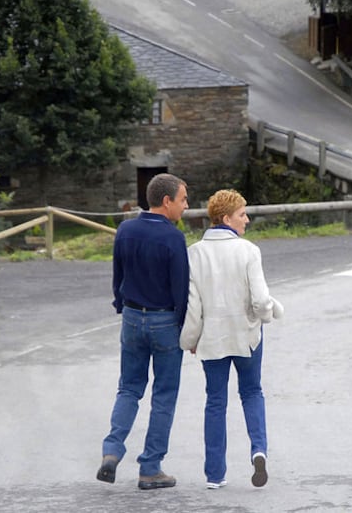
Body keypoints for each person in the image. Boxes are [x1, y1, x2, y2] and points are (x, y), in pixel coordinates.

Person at [180, 189, 283, 489]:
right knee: (251, 392)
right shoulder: (249, 251)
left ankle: (215, 474)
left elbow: (193, 305)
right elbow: (261, 300)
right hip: (246, 335)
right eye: (242, 214)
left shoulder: (194, 253)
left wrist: (191, 340)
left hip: (212, 338)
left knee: (215, 401)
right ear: (226, 218)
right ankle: (258, 451)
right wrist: (264, 317)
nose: (247, 220)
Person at [97, 173, 189, 490]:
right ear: (167, 201)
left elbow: (117, 276)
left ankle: (111, 451)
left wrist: (122, 305)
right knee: (163, 396)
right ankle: (150, 468)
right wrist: (187, 329)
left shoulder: (125, 230)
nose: (185, 206)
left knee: (129, 389)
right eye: (183, 200)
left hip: (133, 317)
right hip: (165, 321)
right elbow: (181, 290)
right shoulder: (174, 238)